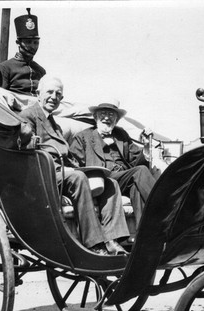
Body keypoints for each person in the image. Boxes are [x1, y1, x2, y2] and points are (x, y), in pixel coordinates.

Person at [18, 76, 129, 255]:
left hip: (61, 171)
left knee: (110, 183)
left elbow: (67, 154)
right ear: (38, 94)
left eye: (58, 94)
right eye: (50, 92)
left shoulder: (55, 124)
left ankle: (111, 240)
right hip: (41, 172)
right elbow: (24, 146)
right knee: (78, 177)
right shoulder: (28, 116)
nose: (54, 97)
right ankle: (94, 243)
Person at [69, 99, 156, 228]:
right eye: (103, 113)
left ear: (116, 119)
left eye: (111, 115)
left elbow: (136, 160)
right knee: (141, 170)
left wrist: (147, 147)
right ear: (95, 117)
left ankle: (143, 238)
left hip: (124, 179)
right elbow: (75, 164)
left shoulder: (121, 135)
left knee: (136, 189)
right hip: (103, 179)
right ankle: (164, 206)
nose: (106, 118)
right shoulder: (83, 137)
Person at [0, 9, 46, 96]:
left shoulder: (41, 71)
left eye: (35, 42)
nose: (33, 46)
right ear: (18, 43)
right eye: (28, 42)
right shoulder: (6, 68)